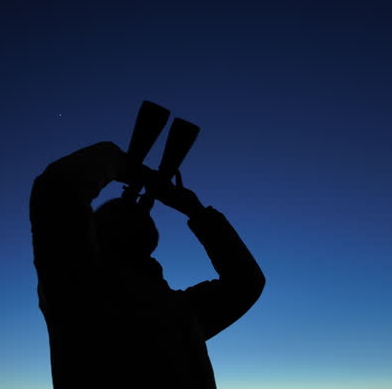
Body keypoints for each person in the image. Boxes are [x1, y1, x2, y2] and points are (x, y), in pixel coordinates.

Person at [29, 141, 265, 388]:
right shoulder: (75, 286)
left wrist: (196, 211)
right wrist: (127, 166)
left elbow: (246, 282)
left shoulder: (180, 310)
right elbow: (57, 187)